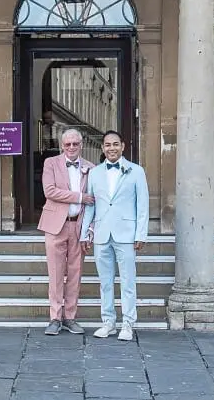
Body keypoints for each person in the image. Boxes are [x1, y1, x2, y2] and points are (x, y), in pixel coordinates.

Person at [80, 130, 149, 341]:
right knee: (105, 282)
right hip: (101, 234)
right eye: (108, 145)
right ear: (102, 148)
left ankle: (128, 323)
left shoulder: (136, 171)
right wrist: (84, 233)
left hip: (126, 234)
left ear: (123, 146)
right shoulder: (95, 173)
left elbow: (142, 205)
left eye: (115, 144)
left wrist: (141, 234)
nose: (111, 148)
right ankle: (108, 322)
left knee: (128, 281)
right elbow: (91, 206)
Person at [38, 128, 95, 335]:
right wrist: (80, 197)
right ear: (62, 145)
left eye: (75, 144)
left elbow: (94, 202)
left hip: (78, 226)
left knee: (75, 273)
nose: (71, 147)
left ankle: (70, 317)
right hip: (55, 225)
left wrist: (91, 229)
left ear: (81, 145)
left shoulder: (91, 168)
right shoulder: (50, 163)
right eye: (68, 144)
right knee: (55, 272)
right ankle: (54, 317)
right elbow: (50, 191)